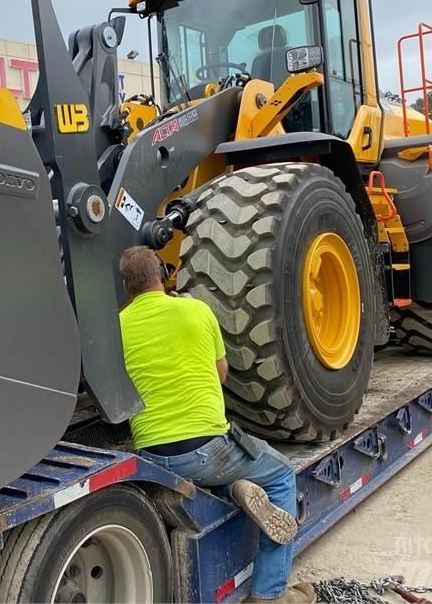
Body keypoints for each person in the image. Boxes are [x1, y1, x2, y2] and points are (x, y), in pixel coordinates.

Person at [117, 246, 314, 604]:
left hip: (152, 456)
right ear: (161, 274)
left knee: (206, 473)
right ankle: (271, 594)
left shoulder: (118, 327)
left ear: (125, 285)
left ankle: (231, 490)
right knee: (282, 475)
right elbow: (221, 373)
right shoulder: (196, 310)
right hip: (207, 449)